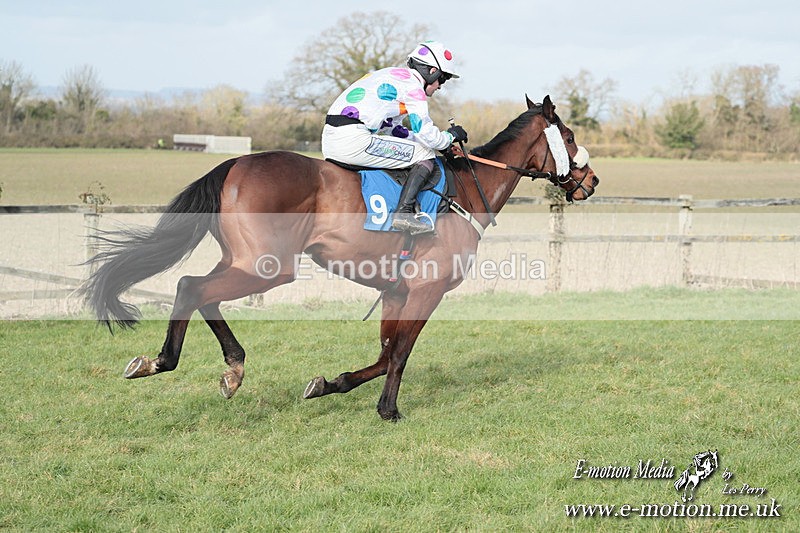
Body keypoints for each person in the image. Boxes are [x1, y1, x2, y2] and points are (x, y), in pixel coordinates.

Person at [321, 40, 468, 234]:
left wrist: (441, 145)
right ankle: (403, 213)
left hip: (331, 141)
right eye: (443, 79)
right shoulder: (414, 88)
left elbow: (393, 130)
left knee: (421, 148)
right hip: (354, 140)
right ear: (432, 71)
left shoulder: (390, 76)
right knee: (424, 154)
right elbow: (425, 133)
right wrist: (449, 137)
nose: (440, 86)